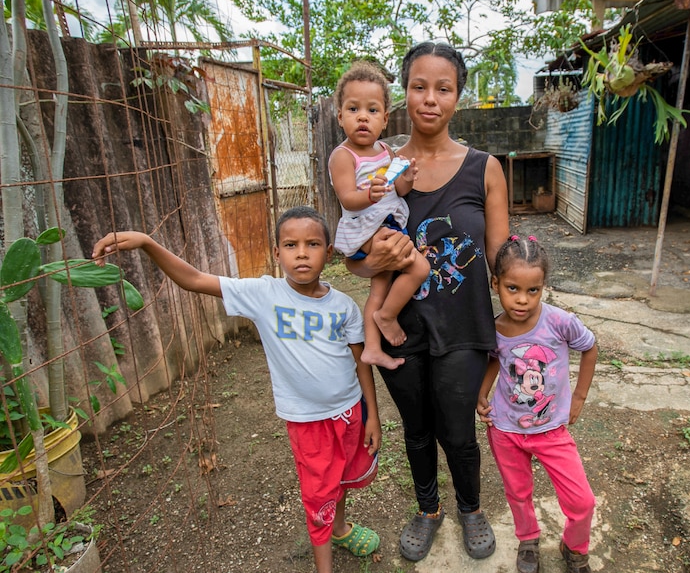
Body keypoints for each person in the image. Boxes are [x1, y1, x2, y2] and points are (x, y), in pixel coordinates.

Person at [92, 206, 381, 573]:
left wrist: (373, 414)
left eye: (313, 244)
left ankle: (340, 528)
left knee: (340, 478)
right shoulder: (263, 294)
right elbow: (194, 279)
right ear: (277, 253)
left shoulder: (343, 306)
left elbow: (361, 363)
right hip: (308, 423)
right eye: (291, 245)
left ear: (329, 251)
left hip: (350, 412)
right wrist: (148, 243)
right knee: (317, 493)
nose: (302, 253)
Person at [345, 42, 509, 562]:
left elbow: (504, 260)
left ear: (458, 97)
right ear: (404, 95)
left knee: (457, 430)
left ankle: (470, 506)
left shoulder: (485, 169)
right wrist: (372, 263)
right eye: (419, 87)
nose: (430, 99)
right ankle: (428, 509)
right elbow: (351, 253)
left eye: (444, 89)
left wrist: (528, 316)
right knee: (416, 430)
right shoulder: (380, 167)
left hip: (464, 325)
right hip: (401, 328)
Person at [477, 235, 598, 573]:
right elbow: (492, 362)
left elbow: (590, 347)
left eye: (533, 290)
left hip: (552, 431)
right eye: (512, 288)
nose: (522, 300)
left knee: (582, 501)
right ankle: (528, 538)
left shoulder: (560, 322)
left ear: (543, 287)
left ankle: (575, 547)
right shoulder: (494, 328)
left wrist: (579, 397)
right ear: (496, 283)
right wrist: (481, 394)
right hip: (506, 430)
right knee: (518, 492)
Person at [329, 60, 428, 371]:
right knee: (420, 267)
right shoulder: (342, 156)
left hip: (386, 222)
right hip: (367, 227)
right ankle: (387, 316)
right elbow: (347, 198)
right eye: (353, 109)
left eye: (372, 110)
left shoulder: (387, 151)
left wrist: (408, 176)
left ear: (385, 119)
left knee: (380, 284)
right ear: (340, 116)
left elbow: (399, 187)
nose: (362, 117)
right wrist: (366, 195)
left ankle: (371, 347)